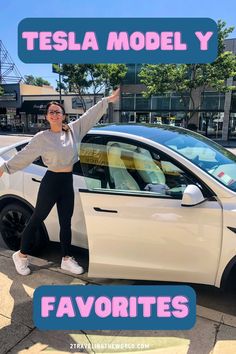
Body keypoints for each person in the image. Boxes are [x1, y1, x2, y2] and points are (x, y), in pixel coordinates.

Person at [0, 88, 120, 276]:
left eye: (58, 111)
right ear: (47, 117)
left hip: (66, 182)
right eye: (51, 112)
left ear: (63, 115)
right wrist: (4, 168)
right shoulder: (42, 138)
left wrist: (107, 100)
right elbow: (24, 156)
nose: (55, 114)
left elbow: (90, 115)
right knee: (37, 218)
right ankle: (21, 256)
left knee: (66, 222)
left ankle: (66, 259)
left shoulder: (73, 130)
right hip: (51, 181)